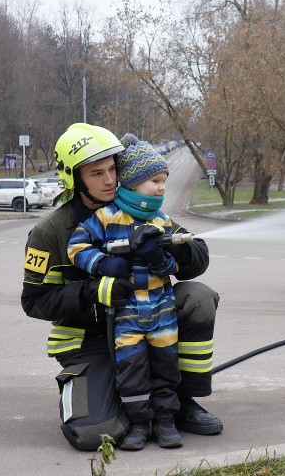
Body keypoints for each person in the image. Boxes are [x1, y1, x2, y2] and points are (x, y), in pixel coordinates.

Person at [21, 123, 222, 451]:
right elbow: (34, 301)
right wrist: (95, 291)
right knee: (94, 433)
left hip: (151, 321)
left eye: (112, 170)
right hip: (90, 341)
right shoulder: (51, 232)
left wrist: (168, 249)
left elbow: (197, 257)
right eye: (96, 173)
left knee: (198, 298)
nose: (109, 180)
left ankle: (180, 401)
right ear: (75, 179)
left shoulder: (137, 207)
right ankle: (113, 397)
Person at [67, 141, 184, 449]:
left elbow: (175, 264)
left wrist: (159, 259)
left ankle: (165, 421)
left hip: (162, 311)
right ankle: (139, 424)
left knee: (166, 366)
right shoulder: (106, 218)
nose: (161, 188)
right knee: (131, 369)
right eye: (155, 181)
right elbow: (76, 247)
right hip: (127, 315)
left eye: (163, 181)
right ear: (132, 182)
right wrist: (104, 264)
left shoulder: (162, 221)